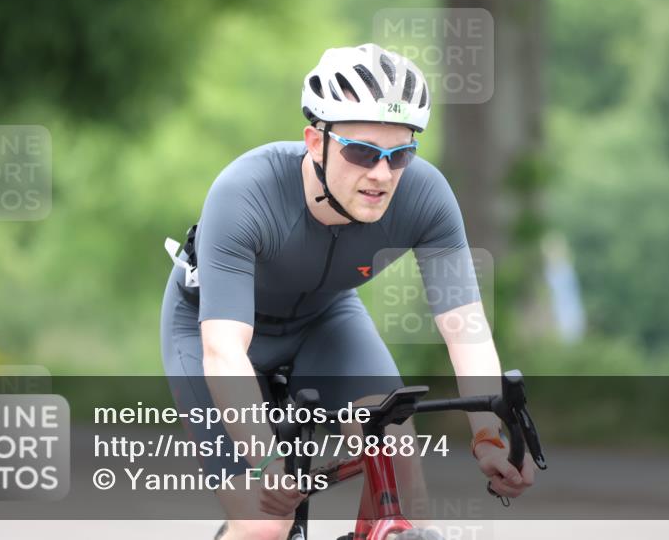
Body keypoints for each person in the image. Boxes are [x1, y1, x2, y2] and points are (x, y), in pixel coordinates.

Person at [160, 43, 535, 540]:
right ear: (316, 141)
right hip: (212, 329)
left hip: (324, 321)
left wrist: (489, 436)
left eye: (399, 154)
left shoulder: (426, 196)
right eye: (362, 152)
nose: (381, 174)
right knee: (265, 525)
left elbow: (464, 329)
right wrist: (267, 458)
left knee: (407, 496)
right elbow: (224, 350)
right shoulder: (243, 191)